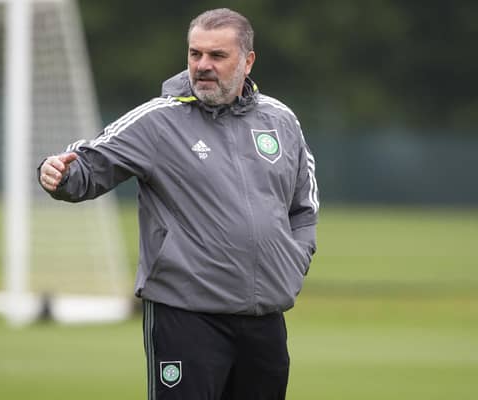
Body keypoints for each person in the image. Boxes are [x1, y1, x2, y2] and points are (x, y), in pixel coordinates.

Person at [38, 8, 319, 400]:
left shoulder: (280, 120)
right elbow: (89, 162)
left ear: (248, 60)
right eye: (195, 54)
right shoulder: (159, 120)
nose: (202, 65)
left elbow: (303, 207)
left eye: (217, 56)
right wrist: (60, 175)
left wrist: (292, 262)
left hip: (263, 321)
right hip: (186, 317)